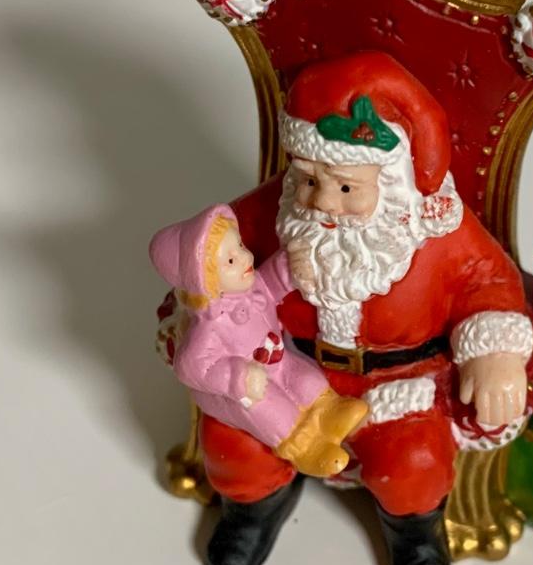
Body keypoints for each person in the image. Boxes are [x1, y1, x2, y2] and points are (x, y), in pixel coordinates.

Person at [192, 52, 533, 565]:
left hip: (397, 389)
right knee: (234, 444)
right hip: (285, 371)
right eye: (309, 179)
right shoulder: (276, 212)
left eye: (347, 188)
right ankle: (254, 509)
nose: (322, 204)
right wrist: (195, 303)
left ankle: (414, 537)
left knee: (414, 464)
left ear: (394, 182)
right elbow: (212, 255)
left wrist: (493, 352)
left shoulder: (437, 228)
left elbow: (488, 281)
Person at [149, 204, 368, 478]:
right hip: (241, 390)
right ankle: (306, 449)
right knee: (271, 408)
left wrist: (292, 264)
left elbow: (272, 280)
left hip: (277, 362)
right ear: (207, 282)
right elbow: (191, 367)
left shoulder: (252, 286)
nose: (244, 257)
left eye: (240, 246)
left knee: (303, 378)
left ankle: (328, 411)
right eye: (230, 261)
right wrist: (236, 377)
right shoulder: (209, 328)